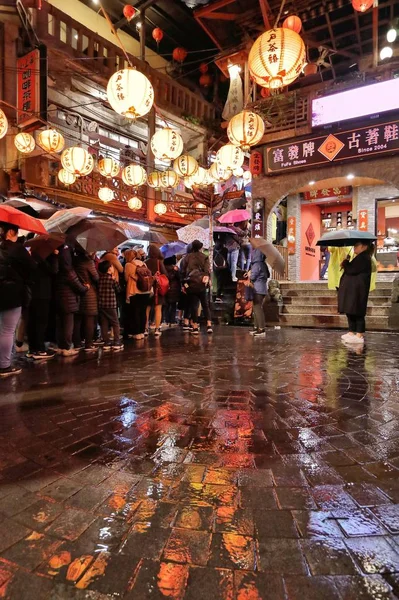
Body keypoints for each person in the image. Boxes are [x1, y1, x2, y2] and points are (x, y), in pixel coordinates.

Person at [0, 223, 36, 377]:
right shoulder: (17, 249)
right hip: (12, 294)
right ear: (10, 232)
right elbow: (32, 267)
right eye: (16, 233)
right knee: (8, 331)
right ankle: (4, 365)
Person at [338, 242, 374, 345]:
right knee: (351, 310)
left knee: (357, 311)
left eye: (356, 245)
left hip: (358, 290)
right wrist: (347, 262)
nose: (354, 247)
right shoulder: (359, 257)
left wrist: (346, 264)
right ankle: (351, 332)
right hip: (352, 290)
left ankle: (359, 334)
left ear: (364, 246)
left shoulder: (364, 258)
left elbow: (352, 270)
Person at [55, 246, 88, 356]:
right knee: (68, 325)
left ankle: (61, 346)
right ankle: (67, 347)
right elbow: (78, 286)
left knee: (60, 325)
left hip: (58, 299)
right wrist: (86, 287)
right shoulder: (68, 270)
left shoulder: (57, 268)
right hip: (69, 301)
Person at [27, 250, 59, 360]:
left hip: (31, 293)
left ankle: (32, 349)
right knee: (41, 322)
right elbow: (54, 270)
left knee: (32, 321)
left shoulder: (31, 255)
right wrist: (54, 256)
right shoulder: (41, 257)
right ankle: (40, 349)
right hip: (42, 293)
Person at [181, 239, 213, 335]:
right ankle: (209, 325)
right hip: (202, 283)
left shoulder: (187, 257)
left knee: (194, 305)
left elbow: (182, 272)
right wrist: (208, 280)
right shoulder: (205, 257)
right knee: (205, 304)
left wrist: (184, 284)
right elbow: (207, 270)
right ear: (200, 247)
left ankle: (195, 326)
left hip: (191, 284)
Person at [73, 247, 99, 352]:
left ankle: (77, 343)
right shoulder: (88, 261)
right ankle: (89, 343)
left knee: (78, 319)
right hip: (89, 293)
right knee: (89, 318)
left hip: (76, 291)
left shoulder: (73, 260)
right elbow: (96, 277)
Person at [125, 249, 152, 340]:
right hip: (145, 291)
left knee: (135, 311)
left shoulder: (128, 265)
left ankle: (136, 333)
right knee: (143, 312)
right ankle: (142, 331)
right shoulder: (143, 264)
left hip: (135, 291)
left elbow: (126, 278)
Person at [98, 260, 123, 351]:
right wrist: (115, 280)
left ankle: (106, 342)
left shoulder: (100, 279)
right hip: (111, 304)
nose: (113, 268)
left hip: (101, 304)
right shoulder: (111, 279)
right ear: (109, 268)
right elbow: (118, 289)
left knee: (104, 323)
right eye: (112, 266)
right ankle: (117, 341)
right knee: (115, 323)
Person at [145, 244, 168, 337]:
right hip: (158, 288)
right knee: (158, 308)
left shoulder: (145, 262)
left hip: (148, 288)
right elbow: (165, 274)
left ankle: (145, 328)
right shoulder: (159, 262)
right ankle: (157, 329)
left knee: (147, 308)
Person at [248, 248, 270, 338]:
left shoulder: (256, 264)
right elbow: (268, 275)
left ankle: (261, 328)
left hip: (257, 289)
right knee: (257, 308)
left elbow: (253, 277)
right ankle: (256, 327)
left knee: (257, 309)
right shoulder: (264, 264)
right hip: (263, 288)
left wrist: (250, 274)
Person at [163, 255, 181, 326]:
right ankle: (172, 321)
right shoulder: (175, 268)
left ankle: (166, 320)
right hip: (174, 289)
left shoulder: (162, 268)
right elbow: (179, 278)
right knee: (173, 305)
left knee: (166, 305)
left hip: (165, 288)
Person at [213, 239, 228, 303]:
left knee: (218, 281)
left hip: (216, 268)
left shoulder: (213, 251)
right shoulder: (225, 250)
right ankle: (218, 297)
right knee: (220, 281)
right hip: (223, 268)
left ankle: (218, 294)